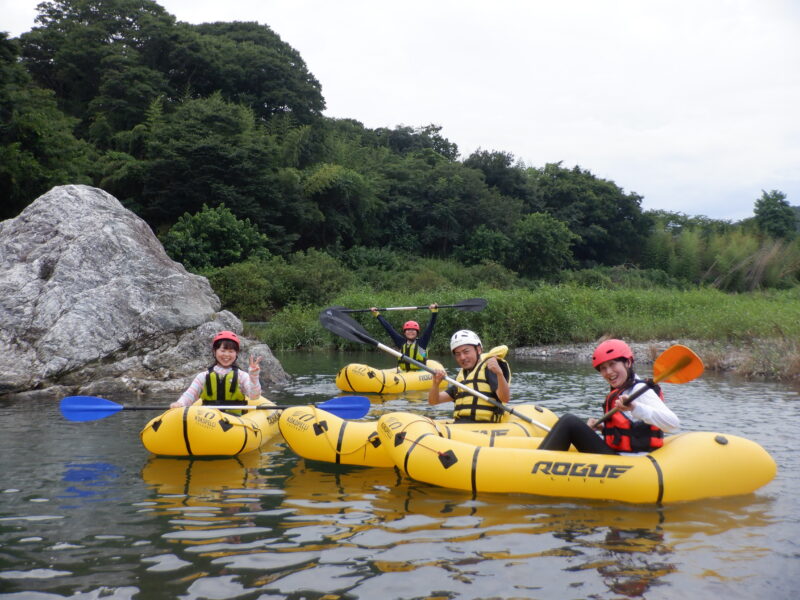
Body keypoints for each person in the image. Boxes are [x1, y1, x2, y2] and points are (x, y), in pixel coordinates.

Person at [538, 339, 679, 454]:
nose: (608, 372)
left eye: (612, 364)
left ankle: (534, 464)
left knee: (569, 421)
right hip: (618, 455)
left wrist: (635, 407)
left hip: (632, 465)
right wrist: (603, 428)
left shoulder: (640, 389)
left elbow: (673, 424)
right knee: (570, 422)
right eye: (603, 368)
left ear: (628, 362)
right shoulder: (623, 389)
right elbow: (633, 430)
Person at [428, 329, 510, 422]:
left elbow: (505, 398)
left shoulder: (489, 368)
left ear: (478, 349)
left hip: (484, 428)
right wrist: (436, 384)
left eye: (466, 352)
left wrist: (499, 373)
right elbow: (433, 401)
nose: (462, 357)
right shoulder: (462, 377)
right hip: (463, 427)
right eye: (458, 354)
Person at [170, 330, 263, 412]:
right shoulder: (203, 376)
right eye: (223, 351)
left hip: (235, 421)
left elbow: (254, 396)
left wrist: (254, 376)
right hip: (207, 421)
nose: (226, 355)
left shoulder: (242, 376)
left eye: (231, 351)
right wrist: (179, 403)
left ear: (236, 354)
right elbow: (189, 396)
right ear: (215, 351)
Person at [370, 303, 438, 371]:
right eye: (408, 330)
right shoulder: (401, 342)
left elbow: (430, 327)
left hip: (419, 373)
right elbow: (388, 328)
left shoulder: (422, 342)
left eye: (413, 330)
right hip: (404, 373)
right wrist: (377, 314)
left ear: (417, 333)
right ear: (404, 332)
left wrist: (434, 312)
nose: (410, 332)